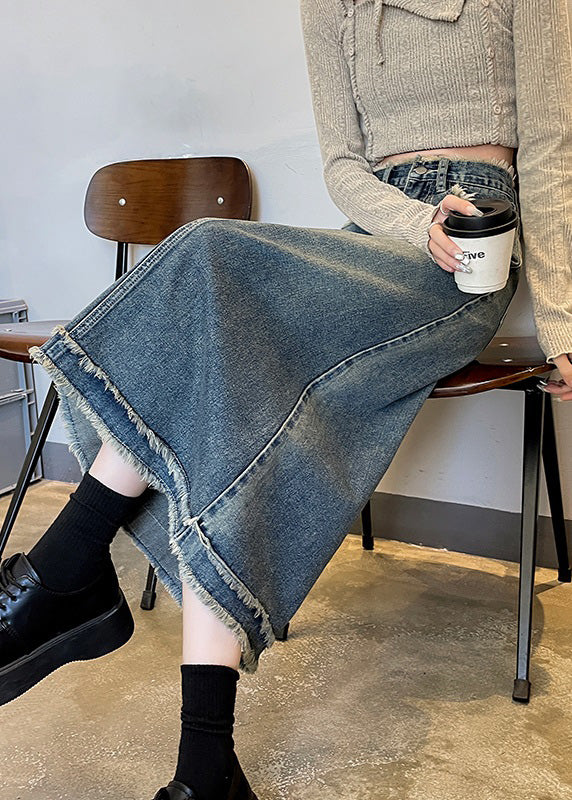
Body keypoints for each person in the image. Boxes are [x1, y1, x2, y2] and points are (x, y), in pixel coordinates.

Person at [1, 0, 571, 798]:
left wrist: (562, 317)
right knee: (221, 361)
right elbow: (342, 165)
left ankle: (68, 567)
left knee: (210, 255)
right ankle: (204, 768)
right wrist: (415, 220)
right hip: (379, 231)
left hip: (473, 242)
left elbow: (549, 148)